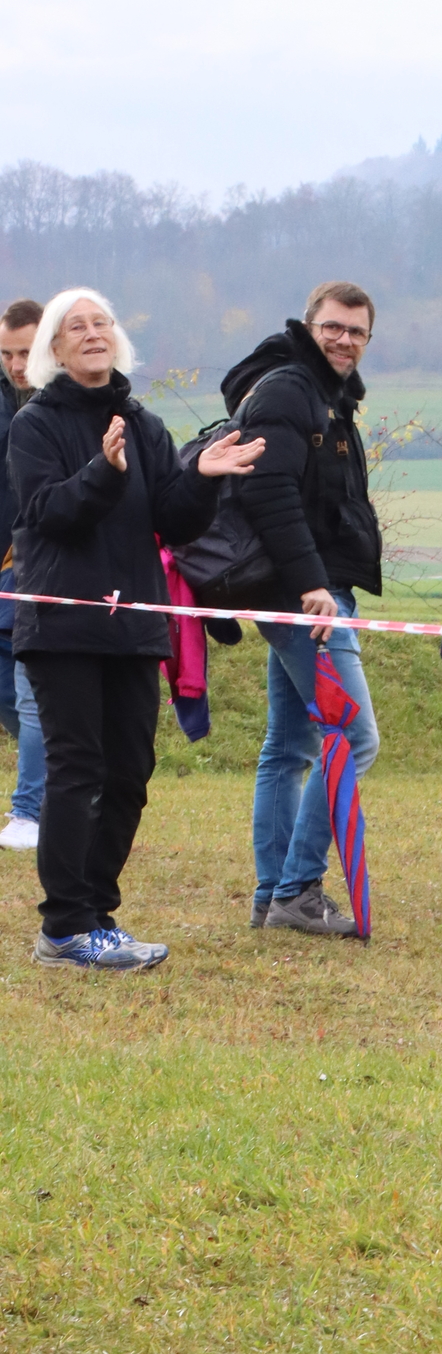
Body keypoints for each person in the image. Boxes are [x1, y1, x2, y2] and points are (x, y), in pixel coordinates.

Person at [8, 289, 261, 970]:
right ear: (54, 348)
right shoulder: (35, 425)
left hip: (135, 623)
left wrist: (201, 477)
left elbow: (173, 521)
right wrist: (103, 471)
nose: (93, 333)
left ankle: (97, 917)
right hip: (64, 624)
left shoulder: (143, 423)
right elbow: (47, 513)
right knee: (77, 769)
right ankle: (64, 928)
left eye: (102, 323)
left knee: (130, 772)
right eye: (76, 326)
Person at [224, 283, 386, 936]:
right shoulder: (292, 390)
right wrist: (313, 583)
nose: (345, 340)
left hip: (298, 588)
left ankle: (273, 895)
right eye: (334, 327)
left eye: (357, 331)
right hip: (306, 593)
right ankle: (296, 890)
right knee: (354, 735)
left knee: (289, 745)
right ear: (309, 326)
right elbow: (268, 492)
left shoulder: (327, 396)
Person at [0, 298, 45, 849]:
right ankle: (75, 781)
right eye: (7, 354)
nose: (15, 365)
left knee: (31, 688)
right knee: (12, 696)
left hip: (39, 570)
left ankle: (29, 811)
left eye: (26, 354)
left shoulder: (65, 406)